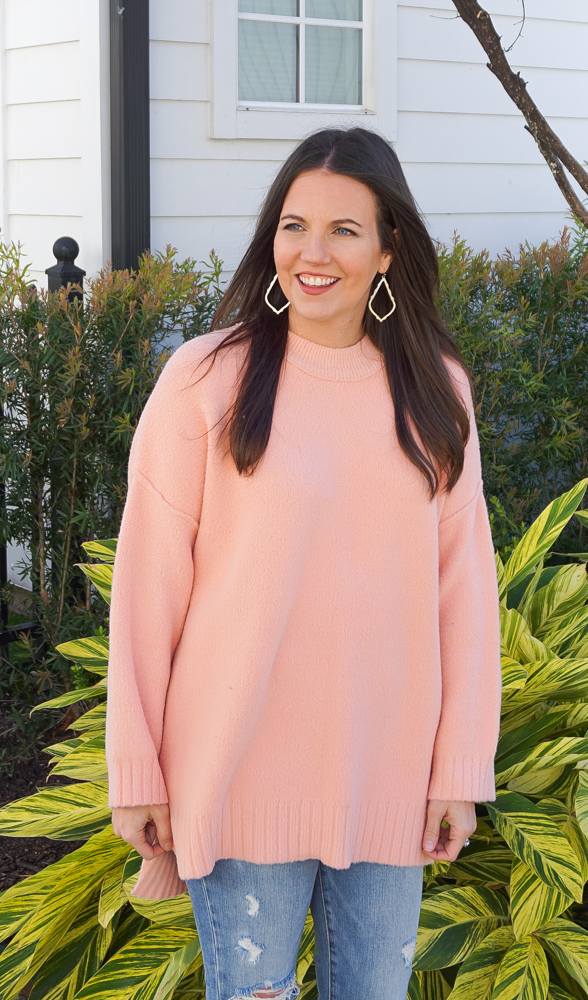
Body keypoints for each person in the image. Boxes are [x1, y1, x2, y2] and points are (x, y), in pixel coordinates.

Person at [106, 127, 502, 1000]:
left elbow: (465, 595)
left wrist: (460, 771)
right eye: (293, 225)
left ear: (389, 249)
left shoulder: (436, 389)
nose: (311, 254)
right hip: (238, 774)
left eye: (343, 230)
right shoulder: (205, 378)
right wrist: (137, 769)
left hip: (389, 781)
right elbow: (148, 585)